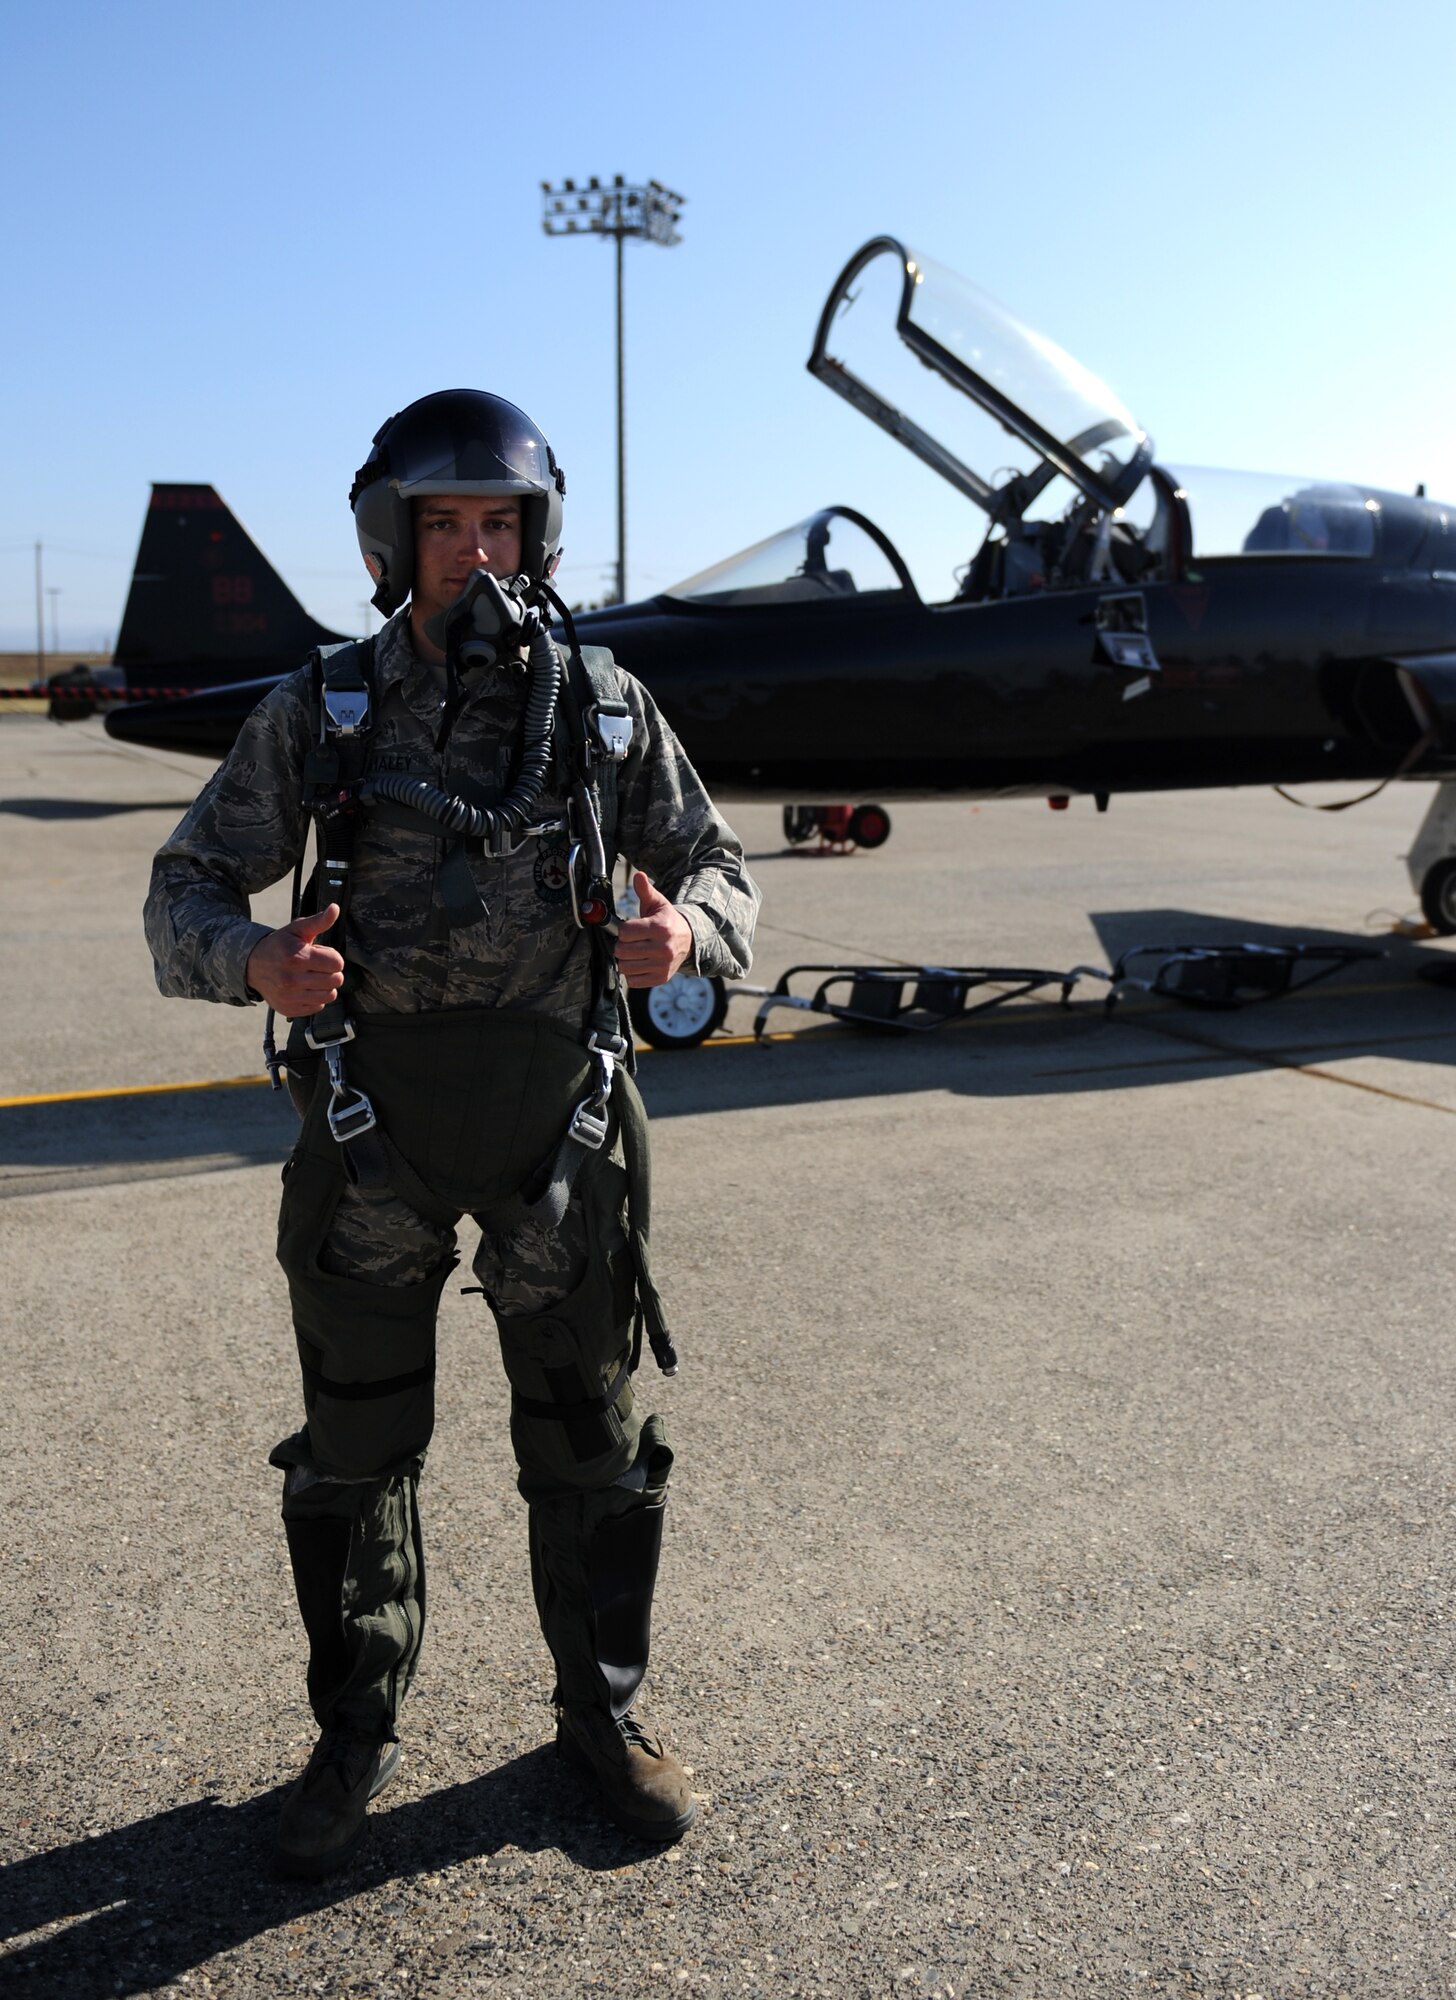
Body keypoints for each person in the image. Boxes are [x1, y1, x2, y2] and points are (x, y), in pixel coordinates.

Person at [144, 390, 760, 1879]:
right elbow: (183, 896)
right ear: (394, 541)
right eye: (445, 528)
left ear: (536, 536)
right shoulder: (324, 712)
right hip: (372, 1148)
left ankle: (602, 1717)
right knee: (355, 1455)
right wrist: (255, 960)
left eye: (501, 524)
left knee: (595, 1450)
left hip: (566, 1137)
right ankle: (354, 1732)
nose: (476, 556)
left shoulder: (607, 707)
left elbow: (722, 869)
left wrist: (689, 936)